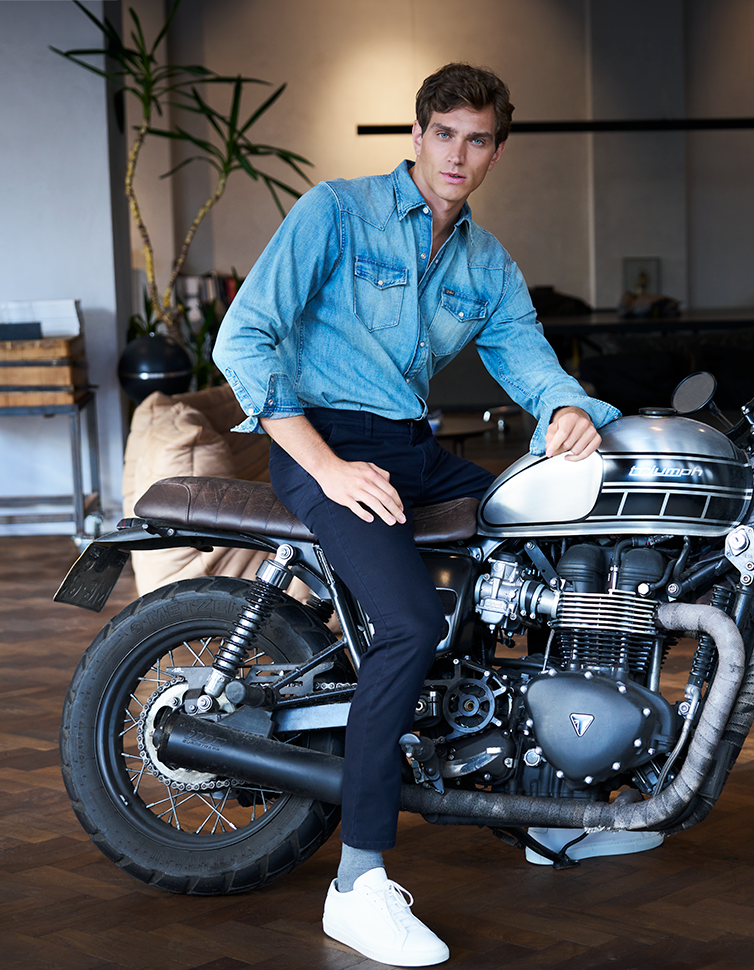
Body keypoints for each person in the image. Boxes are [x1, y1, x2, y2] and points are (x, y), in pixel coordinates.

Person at [212, 63, 658, 967]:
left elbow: (529, 359)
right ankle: (357, 884)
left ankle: (544, 813)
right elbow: (242, 338)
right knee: (411, 624)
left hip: (413, 450)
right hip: (324, 442)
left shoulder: (486, 262)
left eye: (477, 140)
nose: (458, 154)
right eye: (444, 134)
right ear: (416, 136)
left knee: (548, 559)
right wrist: (328, 466)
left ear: (497, 152)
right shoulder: (336, 212)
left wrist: (567, 410)